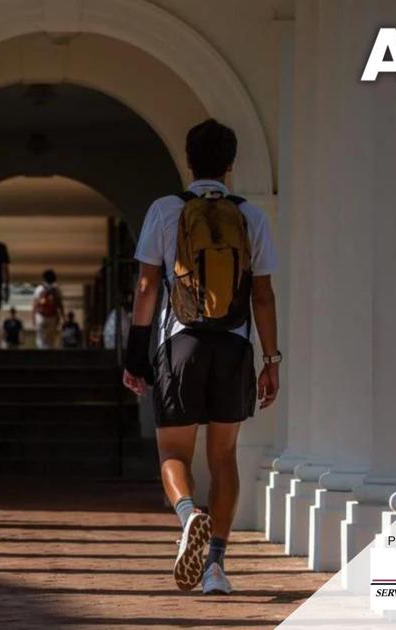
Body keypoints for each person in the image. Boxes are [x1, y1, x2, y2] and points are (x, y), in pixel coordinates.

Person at [122, 119, 280, 595]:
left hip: (181, 345)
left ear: (188, 160)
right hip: (233, 348)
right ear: (230, 165)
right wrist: (270, 359)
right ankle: (215, 568)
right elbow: (264, 295)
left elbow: (149, 284)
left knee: (173, 452)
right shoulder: (250, 216)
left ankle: (189, 514)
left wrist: (136, 353)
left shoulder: (167, 210)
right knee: (224, 457)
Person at [32, 269, 64, 349]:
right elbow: (59, 304)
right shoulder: (57, 290)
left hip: (41, 316)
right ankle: (50, 354)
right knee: (50, 338)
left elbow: (35, 304)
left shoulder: (39, 289)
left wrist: (33, 317)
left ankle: (41, 352)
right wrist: (62, 316)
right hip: (52, 316)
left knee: (40, 337)